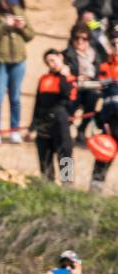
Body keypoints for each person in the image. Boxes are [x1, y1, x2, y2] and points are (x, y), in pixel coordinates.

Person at [0, 0, 35, 144]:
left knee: (15, 98)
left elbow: (30, 35)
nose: (12, 4)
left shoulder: (19, 11)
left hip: (18, 61)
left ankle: (14, 130)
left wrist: (22, 27)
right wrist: (4, 25)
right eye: (9, 1)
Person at [28, 49, 80, 182]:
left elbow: (70, 100)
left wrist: (63, 77)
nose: (51, 64)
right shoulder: (43, 79)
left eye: (53, 60)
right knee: (45, 159)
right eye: (48, 62)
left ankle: (67, 185)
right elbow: (38, 104)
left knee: (65, 156)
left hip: (61, 123)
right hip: (44, 123)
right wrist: (32, 126)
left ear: (60, 57)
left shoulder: (70, 79)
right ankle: (48, 186)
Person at [89, 25, 118, 191]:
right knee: (102, 158)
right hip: (110, 122)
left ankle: (65, 182)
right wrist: (101, 120)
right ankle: (66, 186)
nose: (116, 46)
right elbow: (101, 97)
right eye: (114, 43)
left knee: (65, 150)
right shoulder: (105, 67)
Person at [64, 25, 102, 134]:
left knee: (93, 100)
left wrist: (92, 79)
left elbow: (99, 72)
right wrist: (76, 78)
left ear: (88, 40)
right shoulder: (67, 54)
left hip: (91, 87)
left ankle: (82, 129)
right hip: (73, 87)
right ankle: (66, 128)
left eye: (84, 38)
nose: (80, 41)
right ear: (72, 39)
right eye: (77, 38)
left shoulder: (95, 54)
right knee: (71, 103)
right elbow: (63, 75)